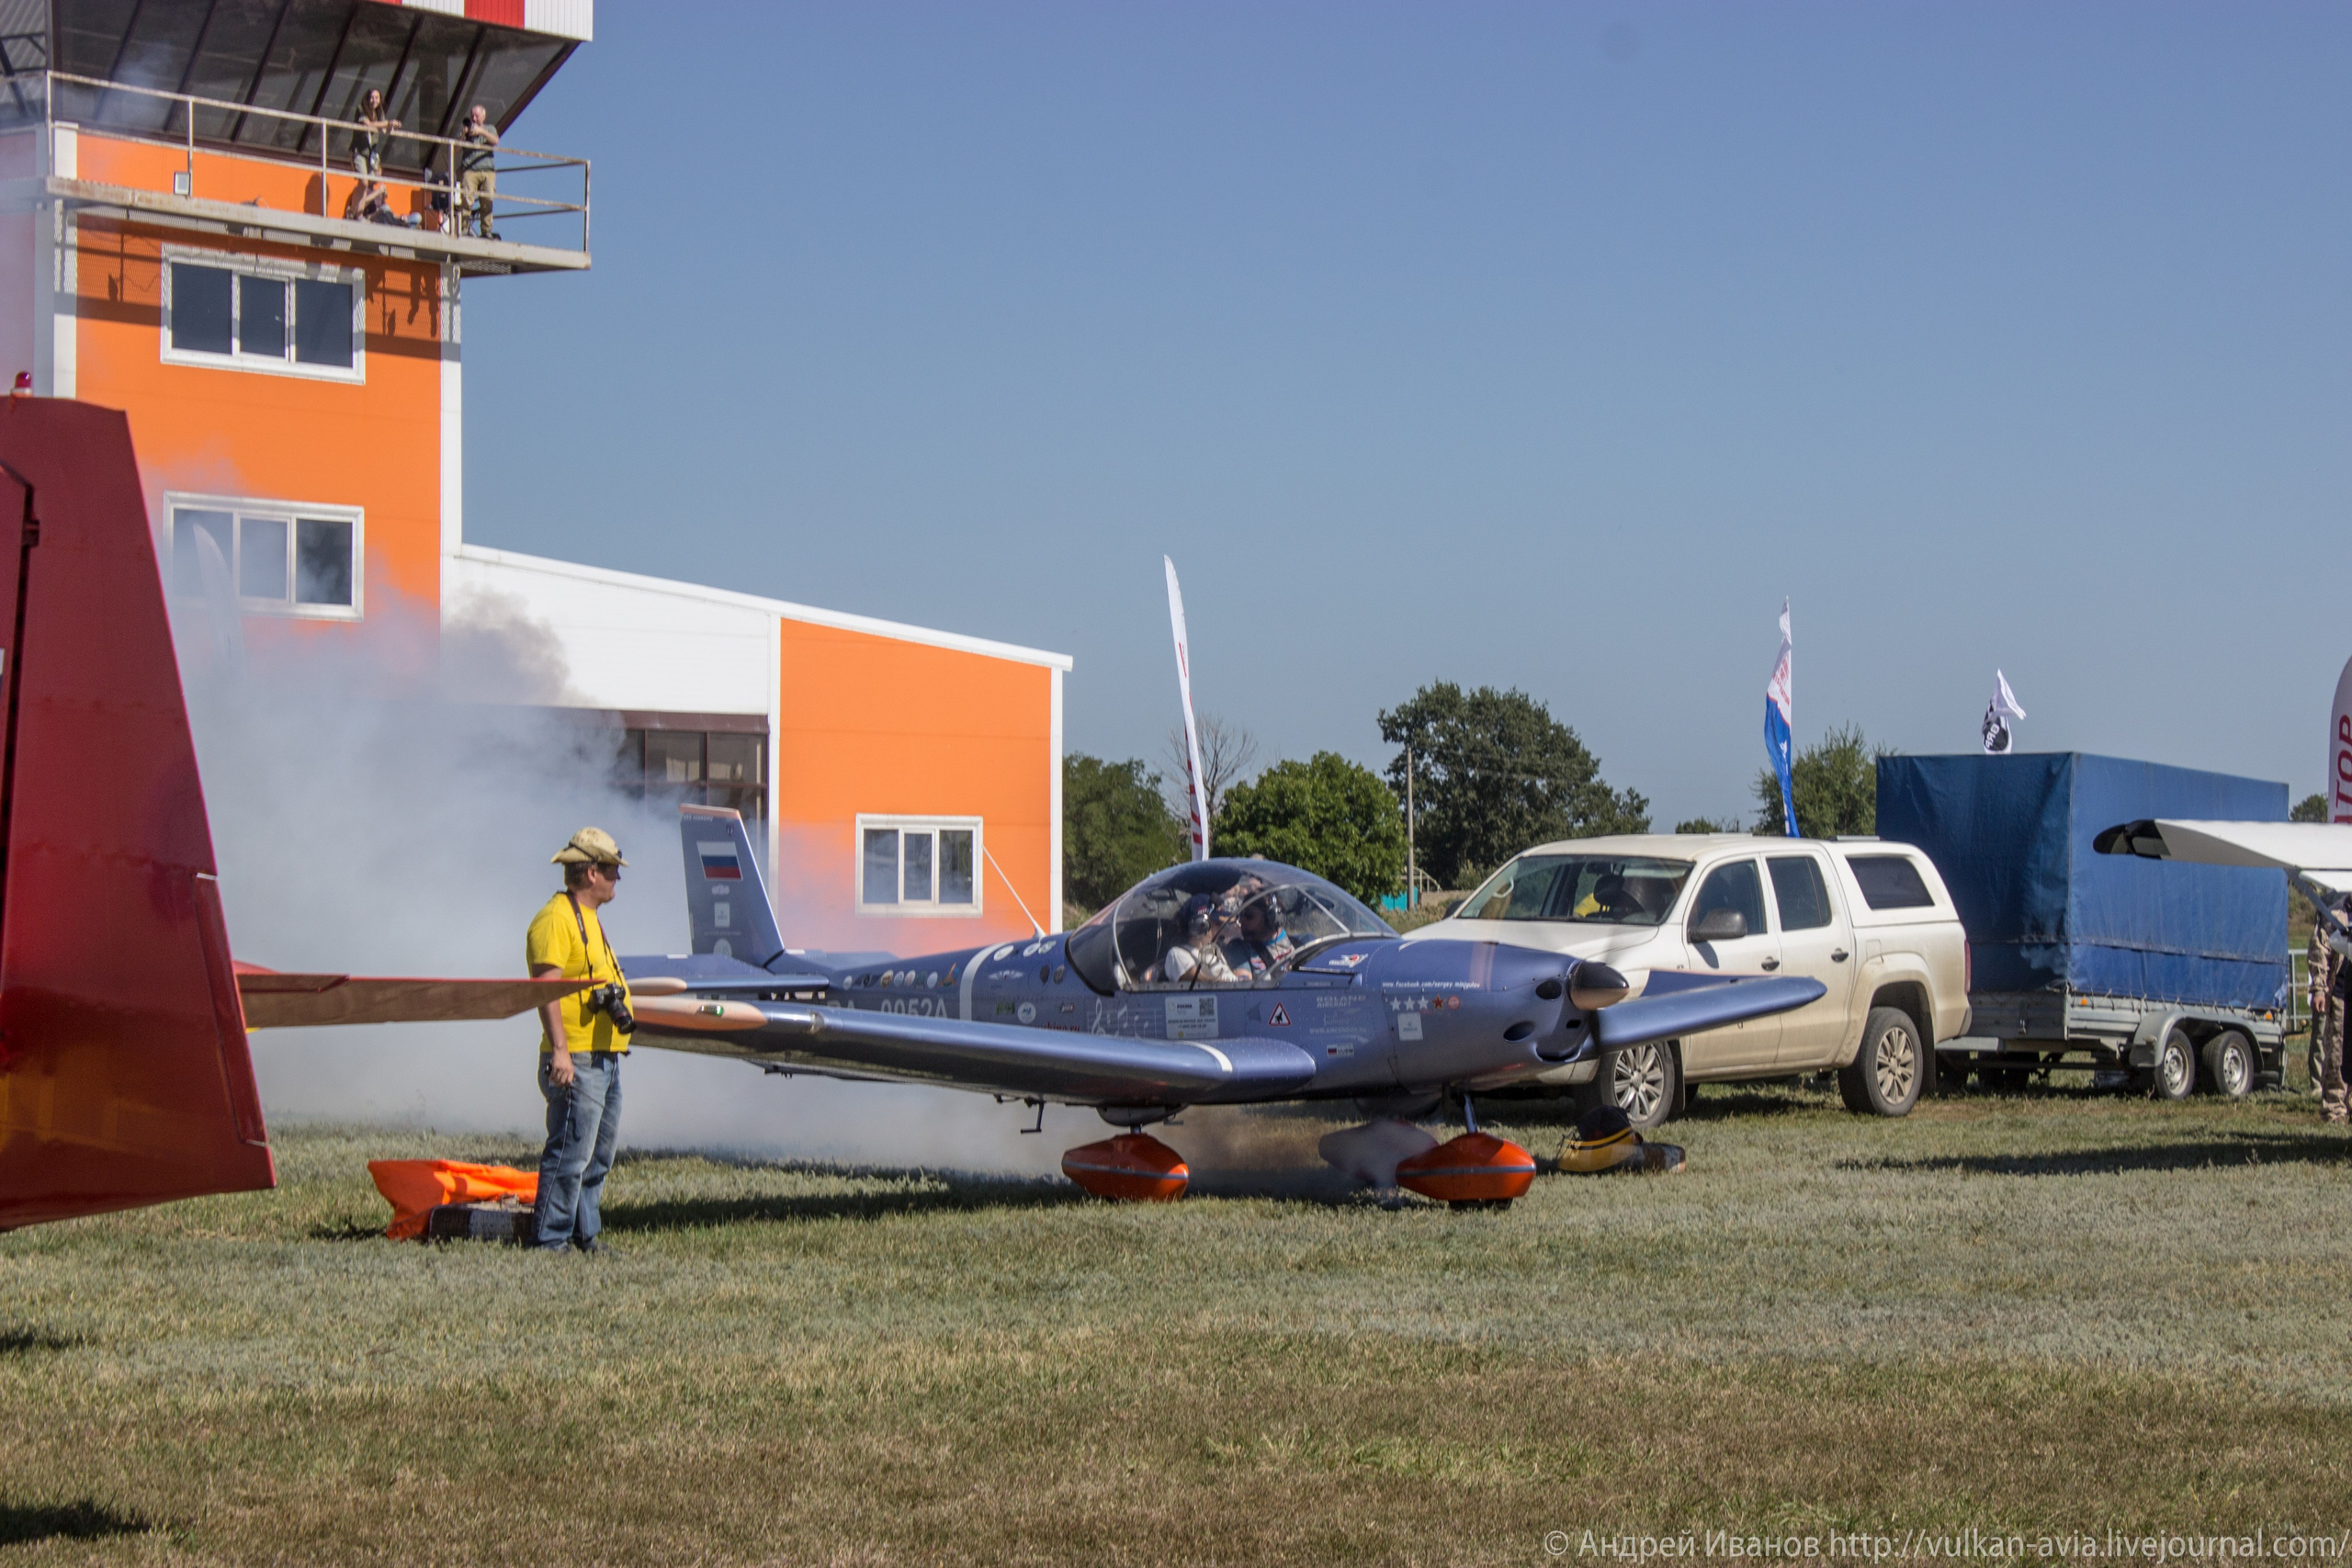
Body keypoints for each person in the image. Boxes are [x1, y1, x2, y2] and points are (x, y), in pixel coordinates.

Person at [529, 827, 635, 1253]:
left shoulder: (588, 918)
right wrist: (560, 1052)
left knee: (597, 1157)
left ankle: (584, 1235)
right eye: (611, 869)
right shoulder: (555, 919)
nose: (617, 878)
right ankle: (549, 1241)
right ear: (591, 873)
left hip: (604, 1057)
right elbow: (544, 989)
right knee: (570, 1155)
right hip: (576, 1057)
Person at [2310, 905, 2347, 1123]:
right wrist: (2319, 988)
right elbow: (2319, 949)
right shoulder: (2334, 912)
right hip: (2340, 993)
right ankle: (2334, 1109)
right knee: (2336, 1053)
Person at [1162, 895, 1239, 983]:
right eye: (1218, 924)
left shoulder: (1214, 951)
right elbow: (1200, 981)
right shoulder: (1177, 954)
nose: (1221, 929)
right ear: (1200, 926)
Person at [1225, 894, 1295, 978]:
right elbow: (1244, 986)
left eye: (1248, 914)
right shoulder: (1239, 949)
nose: (1241, 920)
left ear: (1271, 918)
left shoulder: (1305, 943)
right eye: (1241, 914)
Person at [458, 103, 499, 239]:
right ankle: (463, 229)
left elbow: (495, 141)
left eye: (476, 115)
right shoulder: (465, 131)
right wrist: (464, 135)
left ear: (483, 116)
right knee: (466, 201)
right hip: (470, 171)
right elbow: (455, 151)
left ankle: (486, 232)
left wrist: (481, 132)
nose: (474, 119)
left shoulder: (489, 128)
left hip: (487, 171)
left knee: (487, 201)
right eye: (472, 116)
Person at [353, 88, 399, 180]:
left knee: (374, 180)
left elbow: (384, 127)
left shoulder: (379, 111)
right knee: (364, 182)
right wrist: (388, 123)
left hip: (371, 152)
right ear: (367, 99)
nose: (374, 101)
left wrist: (394, 125)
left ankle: (363, 194)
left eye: (377, 98)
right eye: (372, 98)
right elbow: (368, 124)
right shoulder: (361, 108)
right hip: (359, 151)